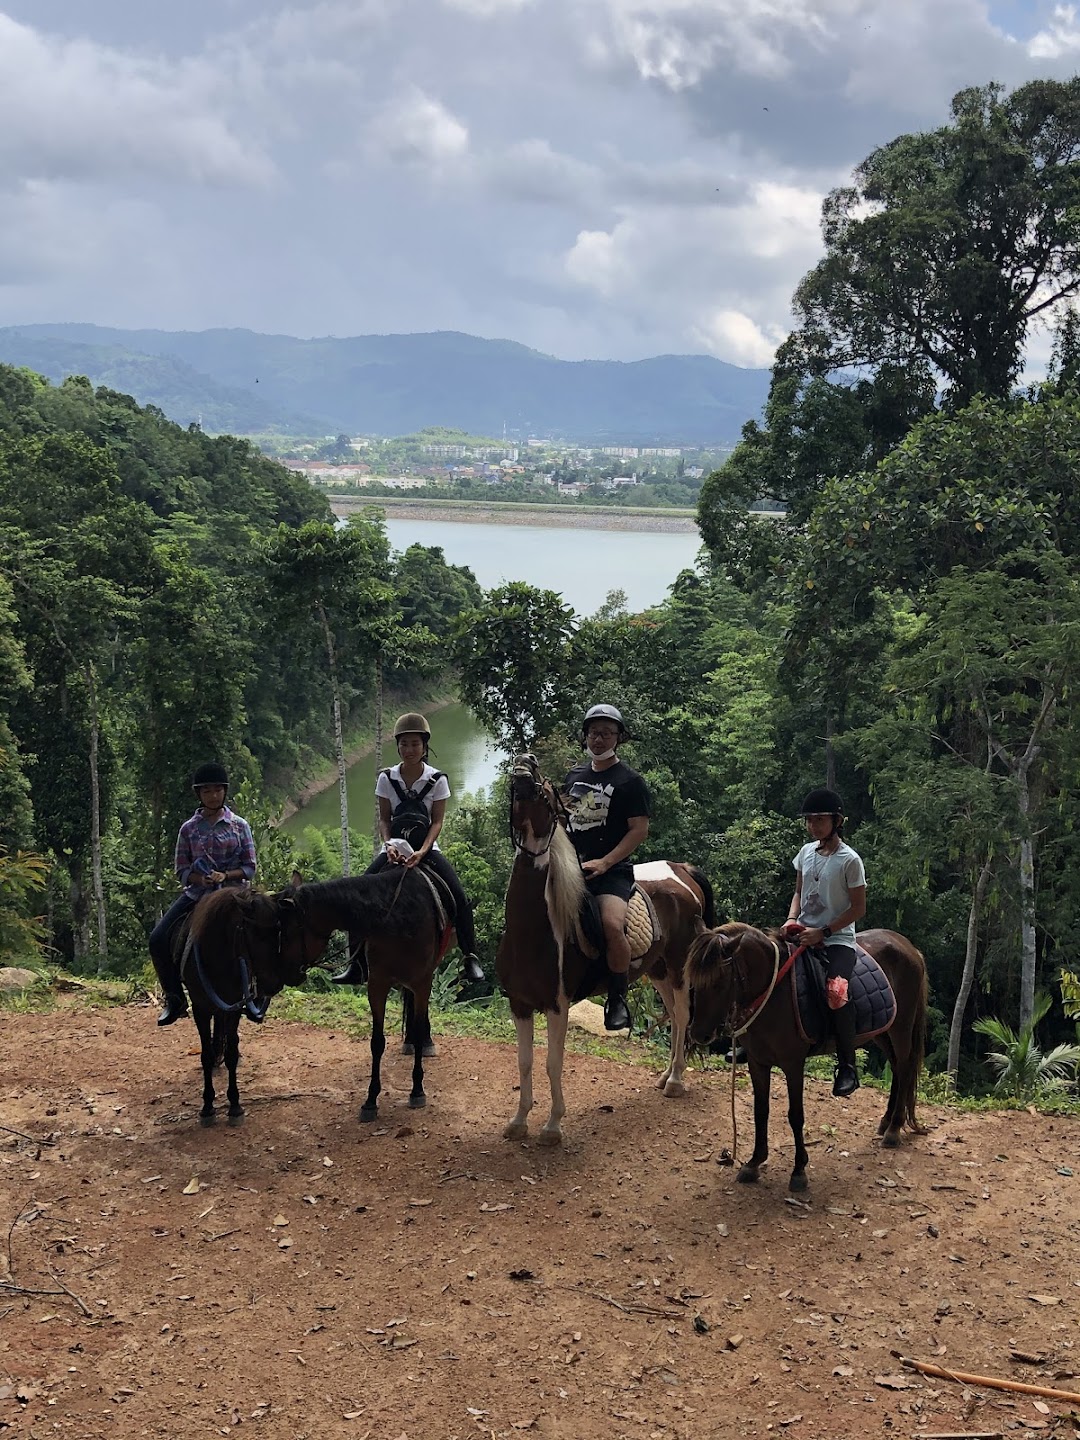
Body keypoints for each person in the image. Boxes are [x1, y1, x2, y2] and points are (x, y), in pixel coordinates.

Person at [332, 713, 485, 986]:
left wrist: (423, 851)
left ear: (424, 746)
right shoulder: (386, 779)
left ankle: (470, 956)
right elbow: (383, 818)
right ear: (398, 746)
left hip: (426, 849)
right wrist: (389, 846)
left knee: (459, 897)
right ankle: (356, 963)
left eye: (415, 744)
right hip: (392, 849)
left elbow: (437, 821)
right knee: (359, 894)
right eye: (404, 744)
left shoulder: (437, 780)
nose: (409, 750)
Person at [562, 703, 651, 1032]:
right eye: (593, 733)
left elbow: (639, 829)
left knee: (612, 925)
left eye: (606, 733)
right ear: (585, 736)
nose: (598, 739)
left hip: (611, 871)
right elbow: (563, 820)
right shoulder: (574, 777)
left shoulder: (629, 782)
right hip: (572, 868)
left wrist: (606, 861)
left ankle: (616, 998)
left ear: (619, 737)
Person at [148, 762, 258, 1026]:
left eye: (217, 790)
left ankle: (256, 995)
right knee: (158, 938)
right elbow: (181, 869)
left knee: (265, 929)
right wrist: (200, 878)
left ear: (224, 792)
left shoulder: (239, 826)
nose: (213, 795)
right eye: (207, 791)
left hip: (234, 894)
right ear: (199, 794)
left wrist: (226, 876)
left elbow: (249, 867)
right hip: (197, 894)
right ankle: (174, 998)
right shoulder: (188, 829)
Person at [782, 787, 867, 1097]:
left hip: (837, 940)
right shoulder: (805, 853)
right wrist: (792, 919)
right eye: (809, 821)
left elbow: (858, 908)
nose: (813, 826)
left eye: (819, 820)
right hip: (802, 930)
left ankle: (847, 1066)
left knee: (836, 992)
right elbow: (798, 892)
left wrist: (825, 932)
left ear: (837, 821)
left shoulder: (850, 860)